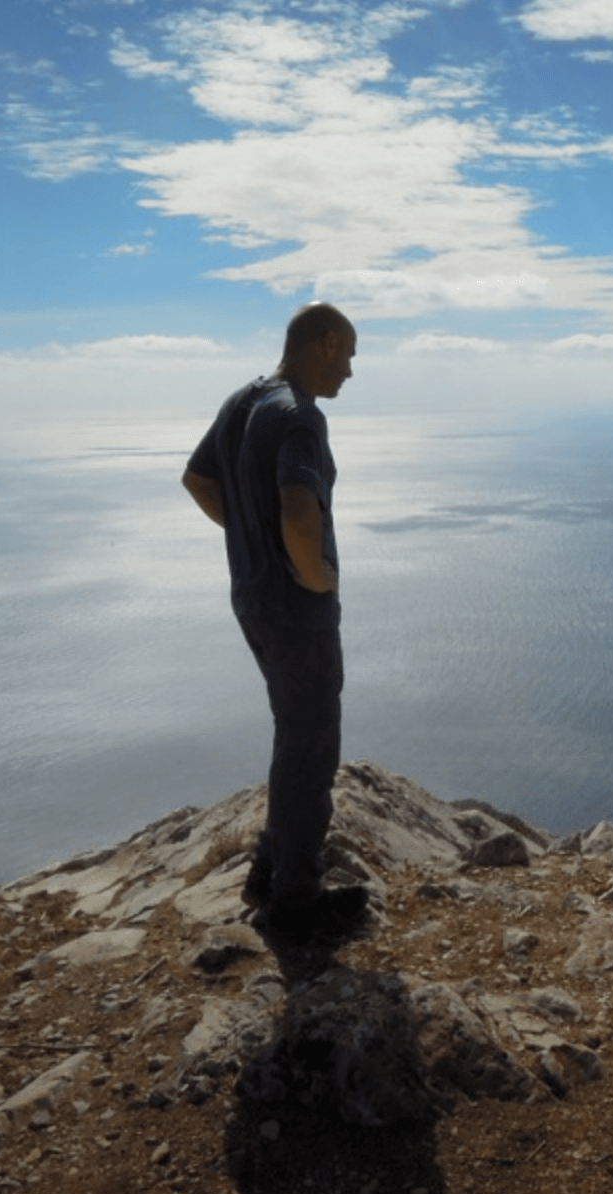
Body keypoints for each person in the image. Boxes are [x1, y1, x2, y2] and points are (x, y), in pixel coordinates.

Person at [182, 302, 366, 941]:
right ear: (320, 341)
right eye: (345, 353)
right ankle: (295, 903)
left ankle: (268, 872)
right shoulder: (299, 418)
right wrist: (316, 574)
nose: (349, 369)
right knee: (314, 749)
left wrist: (251, 537)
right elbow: (298, 513)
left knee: (293, 739)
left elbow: (198, 479)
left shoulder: (243, 402)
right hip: (298, 611)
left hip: (253, 601)